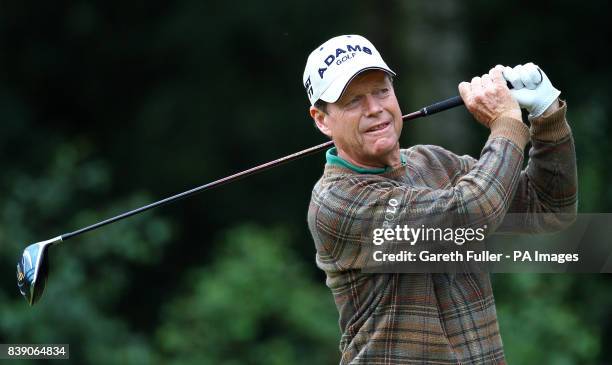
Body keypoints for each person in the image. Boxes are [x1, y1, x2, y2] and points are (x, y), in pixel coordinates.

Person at [304, 34, 577, 364]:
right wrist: (506, 122)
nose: (375, 109)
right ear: (321, 120)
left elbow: (548, 209)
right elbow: (472, 211)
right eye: (353, 101)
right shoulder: (336, 203)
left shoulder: (433, 162)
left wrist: (548, 117)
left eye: (381, 91)